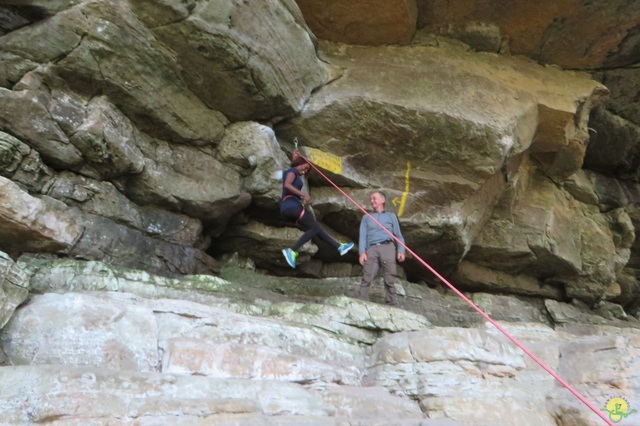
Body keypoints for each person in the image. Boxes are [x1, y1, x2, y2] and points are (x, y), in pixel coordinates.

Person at [280, 153, 354, 268]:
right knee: (314, 228)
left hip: (289, 206)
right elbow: (287, 185)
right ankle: (292, 250)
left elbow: (294, 170)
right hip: (291, 205)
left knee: (315, 228)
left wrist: (296, 156)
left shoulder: (293, 171)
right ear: (300, 163)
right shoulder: (292, 171)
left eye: (307, 170)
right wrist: (303, 195)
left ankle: (339, 247)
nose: (305, 171)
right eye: (305, 167)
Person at [358, 191, 405, 306]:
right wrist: (362, 252)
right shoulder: (366, 217)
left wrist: (401, 250)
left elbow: (398, 235)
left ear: (382, 200)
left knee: (389, 277)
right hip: (372, 248)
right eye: (371, 199)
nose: (372, 201)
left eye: (374, 198)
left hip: (387, 247)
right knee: (367, 276)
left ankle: (391, 304)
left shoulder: (391, 216)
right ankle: (361, 302)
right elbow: (363, 236)